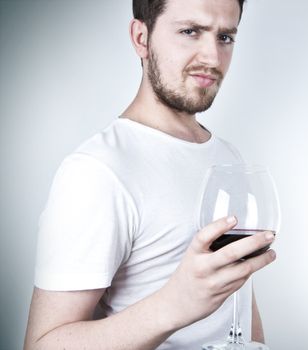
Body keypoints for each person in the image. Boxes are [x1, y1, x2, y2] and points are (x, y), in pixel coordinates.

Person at [23, 0, 276, 349]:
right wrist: (173, 304)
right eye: (190, 32)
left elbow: (241, 304)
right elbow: (42, 345)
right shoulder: (97, 170)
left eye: (225, 37)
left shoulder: (228, 158)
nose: (213, 58)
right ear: (141, 37)